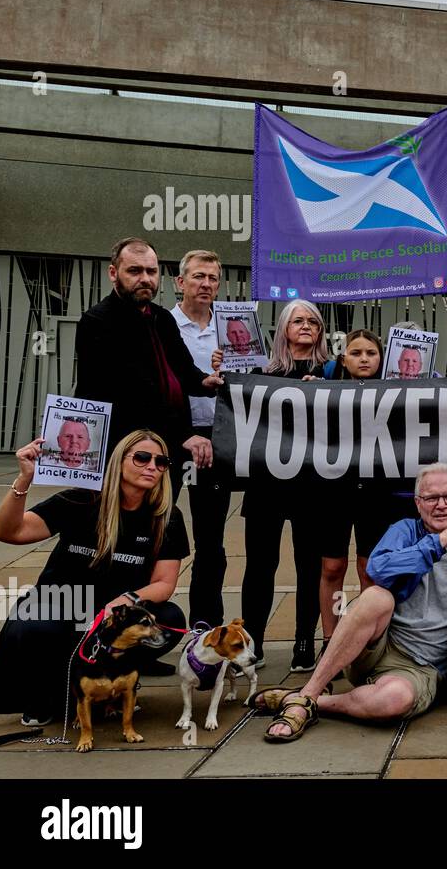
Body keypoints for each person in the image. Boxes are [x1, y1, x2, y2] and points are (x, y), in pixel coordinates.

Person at [248, 465, 447, 742]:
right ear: (418, 503)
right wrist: (440, 541)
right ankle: (310, 694)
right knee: (375, 597)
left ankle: (303, 701)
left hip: (421, 668)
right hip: (375, 648)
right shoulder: (405, 530)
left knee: (394, 701)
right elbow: (378, 569)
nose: (441, 505)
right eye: (432, 498)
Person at [0, 430, 191, 725]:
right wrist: (24, 479)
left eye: (161, 462)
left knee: (170, 620)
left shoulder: (166, 517)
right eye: (142, 458)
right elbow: (8, 532)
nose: (152, 467)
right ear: (118, 461)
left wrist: (127, 599)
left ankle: (116, 685)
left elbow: (164, 583)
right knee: (32, 628)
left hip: (113, 613)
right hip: (62, 602)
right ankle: (46, 695)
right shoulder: (80, 501)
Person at [213, 299, 331, 673]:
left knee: (309, 566)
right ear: (282, 328)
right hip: (266, 484)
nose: (306, 326)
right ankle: (255, 643)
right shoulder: (259, 370)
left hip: (313, 485)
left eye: (313, 320)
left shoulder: (333, 370)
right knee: (260, 566)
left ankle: (302, 643)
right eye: (298, 320)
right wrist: (220, 373)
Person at [75, 237, 222, 501]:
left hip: (166, 449)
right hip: (124, 450)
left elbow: (183, 370)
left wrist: (205, 383)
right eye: (134, 271)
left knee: (160, 520)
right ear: (113, 273)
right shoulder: (97, 322)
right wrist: (183, 435)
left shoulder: (161, 318)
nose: (145, 278)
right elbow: (123, 394)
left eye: (151, 271)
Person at [317, 330, 416, 649]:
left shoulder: (398, 392)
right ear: (343, 358)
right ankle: (330, 638)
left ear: (382, 358)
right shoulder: (324, 390)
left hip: (377, 490)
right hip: (335, 488)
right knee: (332, 566)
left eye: (371, 353)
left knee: (369, 568)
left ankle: (364, 641)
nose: (363, 358)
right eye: (356, 352)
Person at [172, 249, 235, 628]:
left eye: (212, 278)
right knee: (151, 531)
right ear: (180, 282)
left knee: (210, 540)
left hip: (217, 440)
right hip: (170, 438)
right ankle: (143, 630)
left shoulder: (231, 327)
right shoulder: (163, 324)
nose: (206, 284)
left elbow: (253, 373)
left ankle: (205, 627)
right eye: (198, 276)